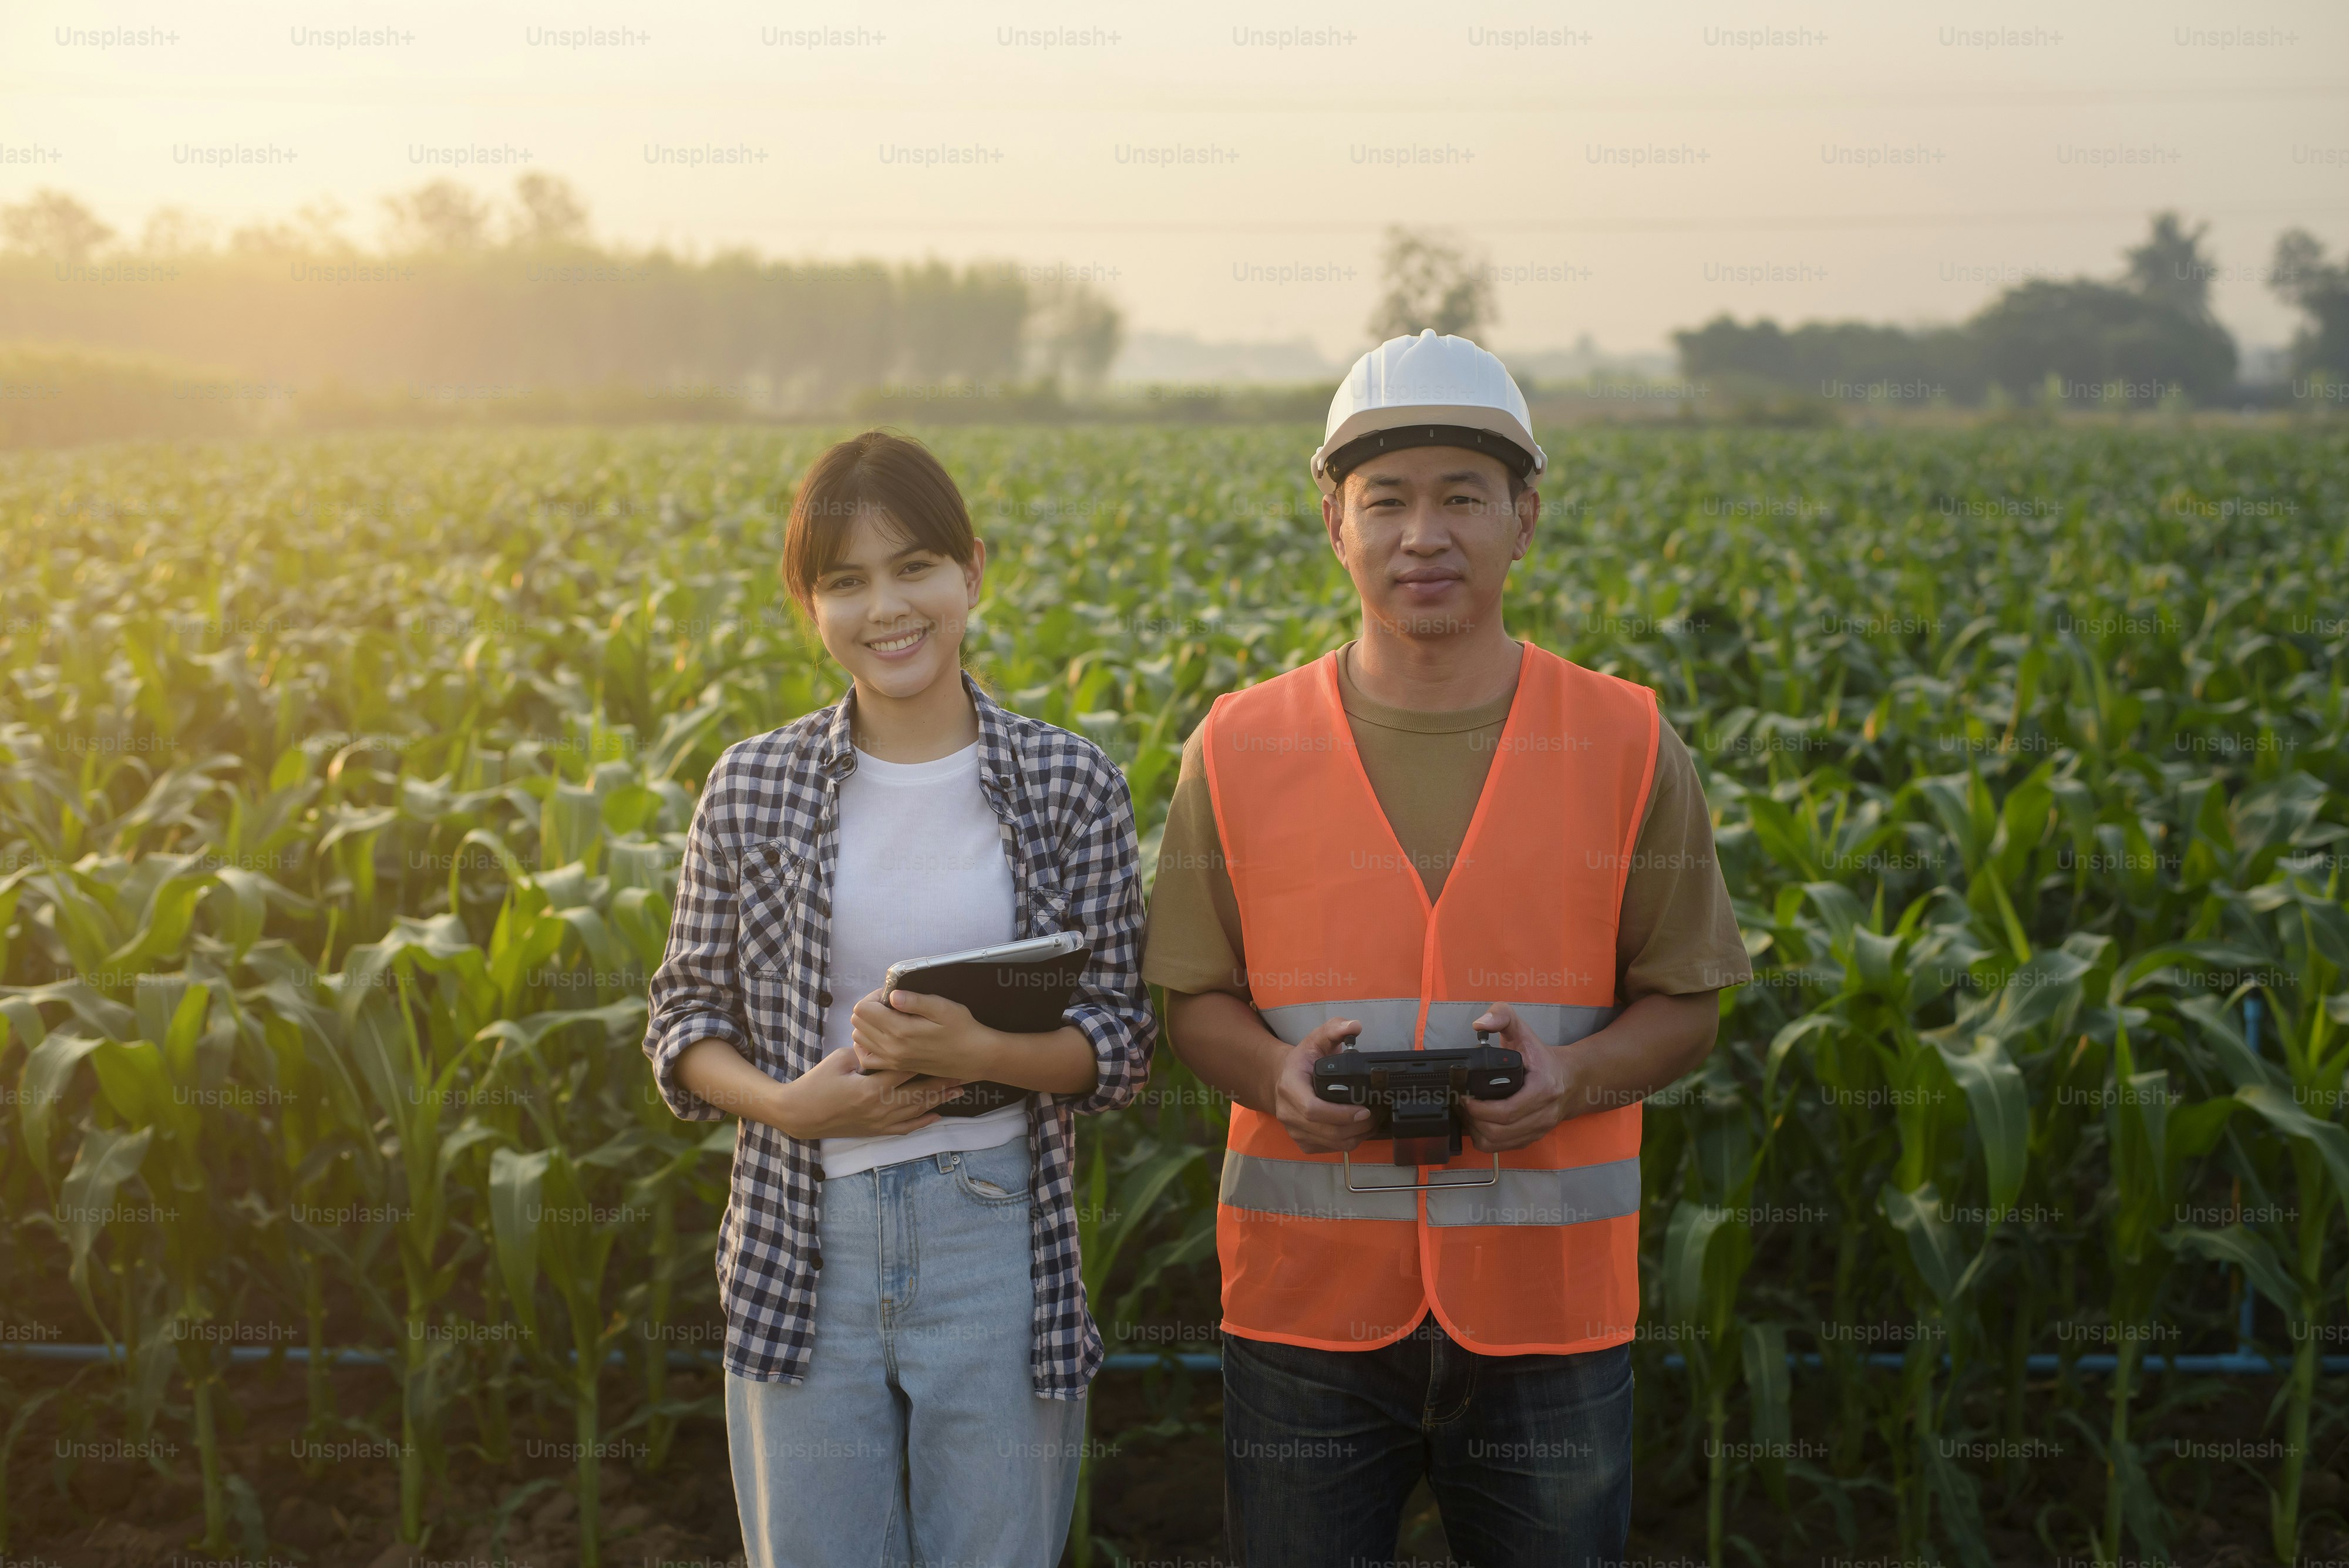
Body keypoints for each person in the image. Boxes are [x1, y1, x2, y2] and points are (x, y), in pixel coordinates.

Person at [1144, 331, 1752, 1566]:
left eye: (1462, 497)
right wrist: (1271, 1079)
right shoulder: (1237, 745)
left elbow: (1687, 1000)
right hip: (1305, 1307)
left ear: (1523, 517)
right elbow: (1192, 996)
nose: (1423, 534)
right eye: (1387, 501)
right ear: (1333, 522)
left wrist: (1569, 1081)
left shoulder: (1626, 740)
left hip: (1550, 1315)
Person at [642, 430, 1155, 1568]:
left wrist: (983, 1047)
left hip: (997, 1231)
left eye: (914, 566)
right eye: (844, 581)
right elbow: (681, 1018)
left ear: (971, 571)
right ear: (809, 605)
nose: (887, 607)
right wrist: (788, 1108)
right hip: (802, 1235)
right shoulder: (753, 784)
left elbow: (1120, 1045)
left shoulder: (1069, 783)